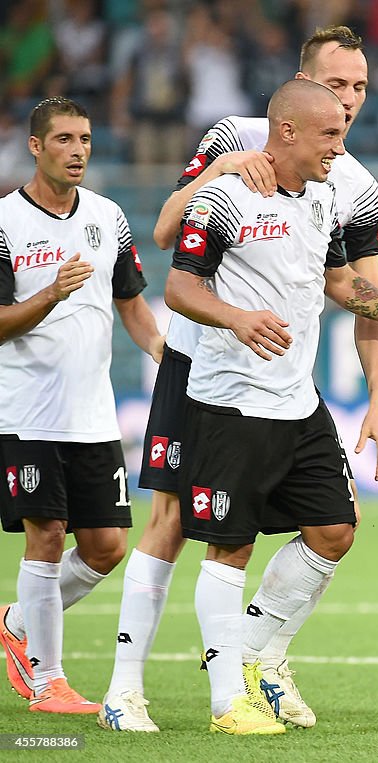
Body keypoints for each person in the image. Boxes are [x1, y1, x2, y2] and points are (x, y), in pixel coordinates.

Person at [99, 25, 378, 732]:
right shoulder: (235, 133)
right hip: (202, 361)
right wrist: (222, 168)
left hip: (285, 379)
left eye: (357, 88)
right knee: (171, 522)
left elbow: (361, 293)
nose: (347, 101)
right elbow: (169, 233)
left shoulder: (352, 183)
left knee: (333, 524)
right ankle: (125, 687)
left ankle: (257, 661)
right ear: (299, 87)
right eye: (334, 84)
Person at [164, 79, 378, 735]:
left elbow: (343, 283)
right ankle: (229, 703)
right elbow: (179, 287)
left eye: (342, 132)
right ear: (287, 132)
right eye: (329, 134)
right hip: (232, 403)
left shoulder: (325, 200)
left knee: (335, 528)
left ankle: (247, 651)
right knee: (231, 547)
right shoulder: (224, 199)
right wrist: (237, 317)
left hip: (298, 402)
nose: (341, 146)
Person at [0, 97, 162, 714]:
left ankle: (17, 621)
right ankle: (48, 682)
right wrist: (49, 293)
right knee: (46, 536)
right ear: (36, 146)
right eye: (64, 139)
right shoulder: (5, 223)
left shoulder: (108, 217)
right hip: (24, 414)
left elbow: (131, 303)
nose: (78, 150)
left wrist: (162, 352)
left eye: (86, 139)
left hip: (91, 414)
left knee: (105, 548)